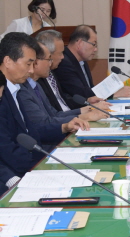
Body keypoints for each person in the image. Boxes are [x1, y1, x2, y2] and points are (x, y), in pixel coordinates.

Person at [0, 32, 87, 178]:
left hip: (31, 162)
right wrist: (41, 166)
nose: (31, 70)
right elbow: (6, 147)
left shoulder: (16, 87)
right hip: (15, 172)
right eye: (28, 64)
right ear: (8, 61)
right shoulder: (3, 93)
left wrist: (63, 129)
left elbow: (31, 132)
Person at [18, 41, 106, 126]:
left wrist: (86, 109)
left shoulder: (36, 85)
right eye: (49, 59)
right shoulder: (23, 90)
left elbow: (55, 114)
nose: (50, 64)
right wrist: (83, 117)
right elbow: (42, 124)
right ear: (36, 62)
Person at [53, 24, 130, 108]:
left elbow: (90, 89)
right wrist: (113, 94)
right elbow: (81, 94)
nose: (96, 49)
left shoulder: (82, 60)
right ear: (80, 43)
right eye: (93, 44)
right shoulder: (63, 62)